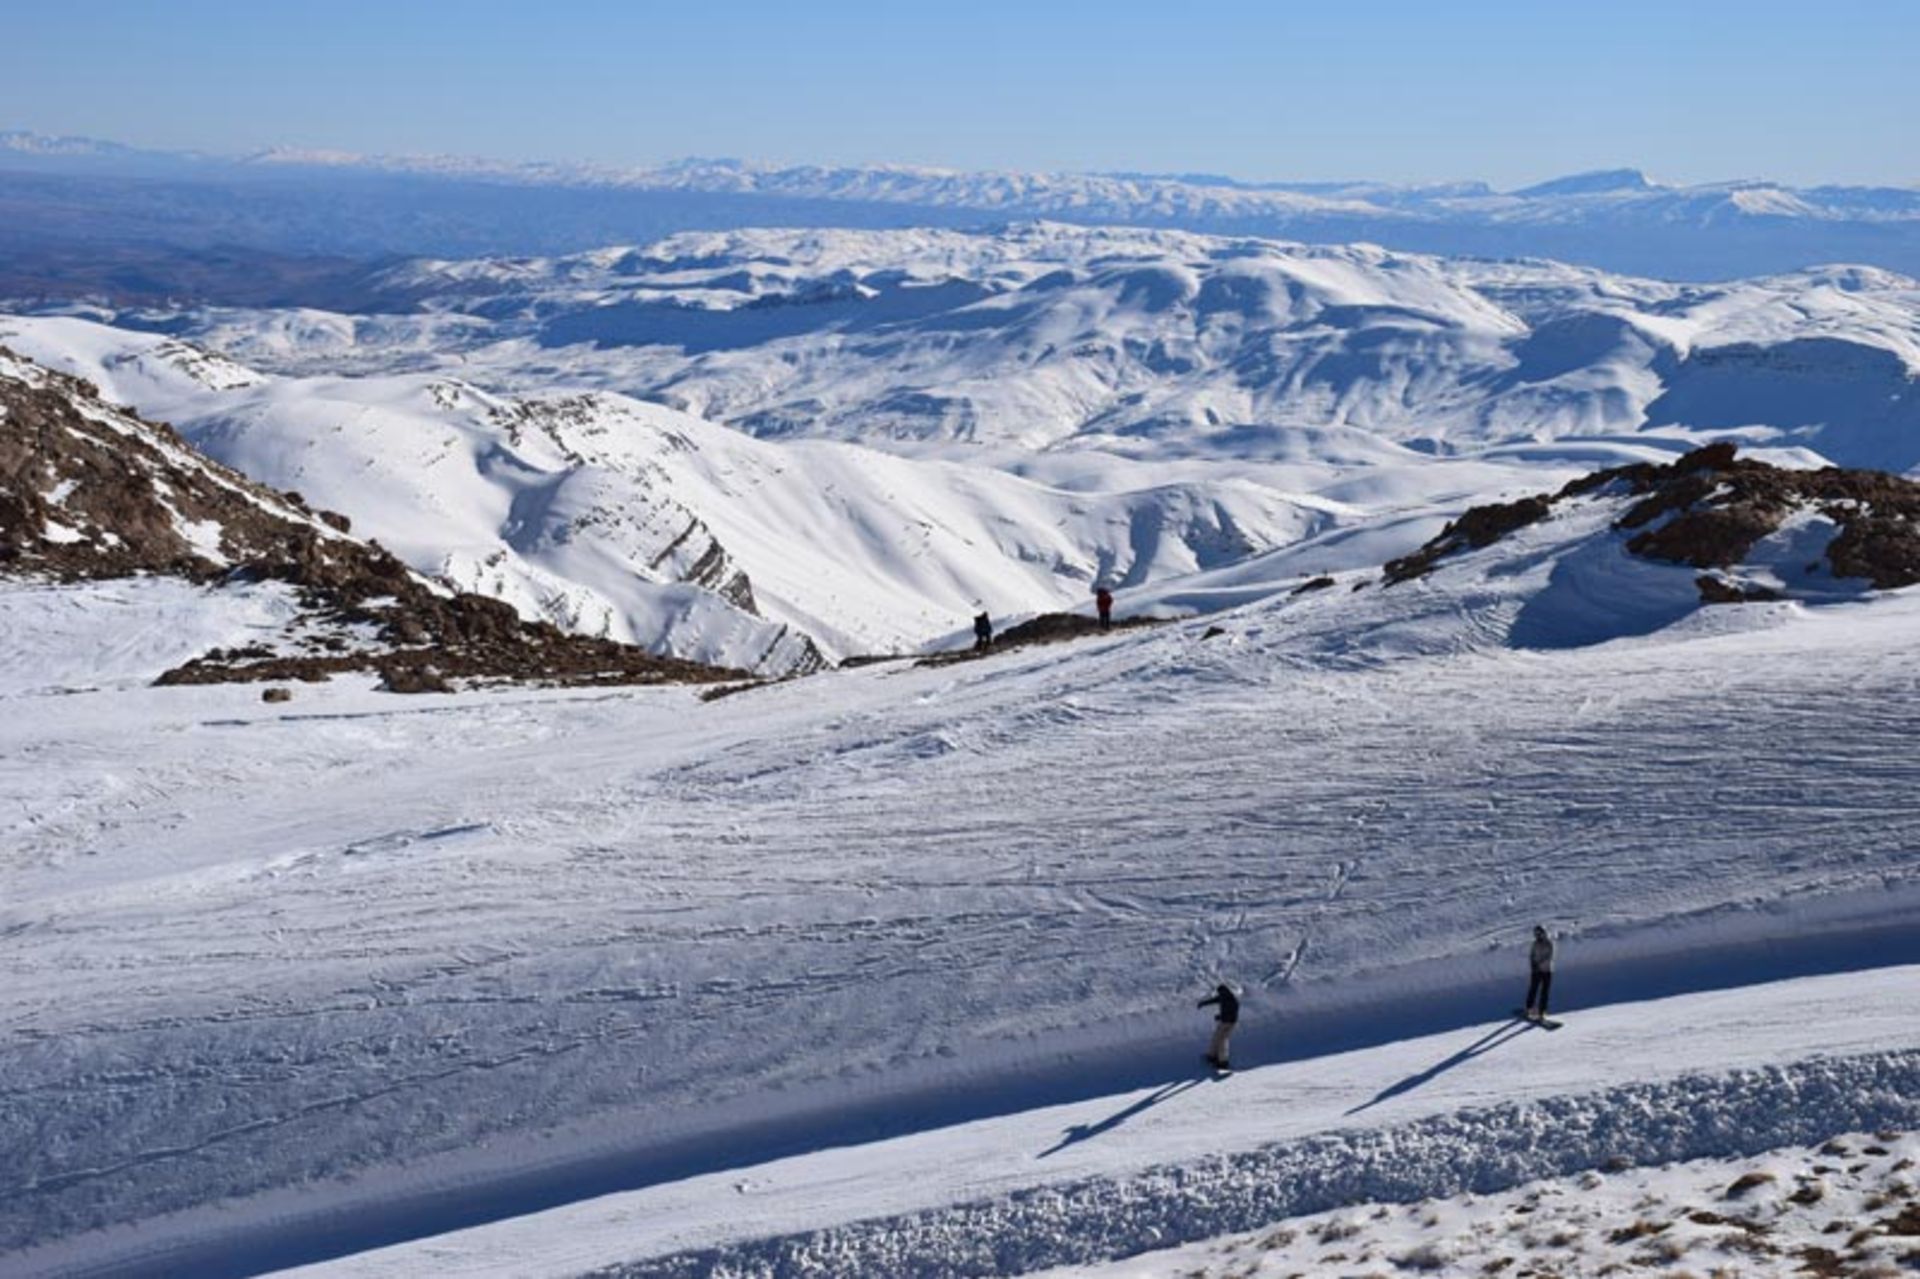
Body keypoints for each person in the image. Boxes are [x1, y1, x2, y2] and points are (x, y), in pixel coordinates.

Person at [1197, 983, 1239, 1068]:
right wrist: (1203, 1003)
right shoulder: (1222, 997)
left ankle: (1223, 1062)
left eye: (1220, 993)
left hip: (1230, 1023)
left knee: (1222, 1041)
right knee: (1216, 1038)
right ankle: (1212, 1056)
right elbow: (1213, 1000)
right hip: (1223, 1022)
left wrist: (1220, 1016)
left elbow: (1232, 1014)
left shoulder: (1233, 1001)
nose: (1219, 995)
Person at [1524, 925, 1555, 1022]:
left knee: (1544, 992)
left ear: (1543, 933)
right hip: (1536, 971)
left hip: (1546, 971)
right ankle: (1529, 1008)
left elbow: (1549, 957)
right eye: (1535, 934)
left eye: (1538, 934)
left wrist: (1539, 965)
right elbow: (1532, 955)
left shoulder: (1549, 943)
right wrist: (1533, 965)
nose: (1537, 936)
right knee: (1533, 989)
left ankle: (1542, 1012)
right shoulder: (1535, 944)